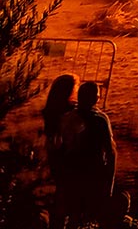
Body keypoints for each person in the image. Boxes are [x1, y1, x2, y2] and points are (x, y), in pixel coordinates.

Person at [60, 80, 117, 227]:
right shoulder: (100, 120)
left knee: (73, 217)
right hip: (93, 174)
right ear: (96, 99)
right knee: (89, 219)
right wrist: (109, 183)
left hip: (73, 174)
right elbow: (111, 151)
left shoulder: (68, 118)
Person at [42, 73, 78, 229]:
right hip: (65, 157)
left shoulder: (50, 110)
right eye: (75, 88)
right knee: (65, 195)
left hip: (54, 156)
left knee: (60, 193)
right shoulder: (69, 113)